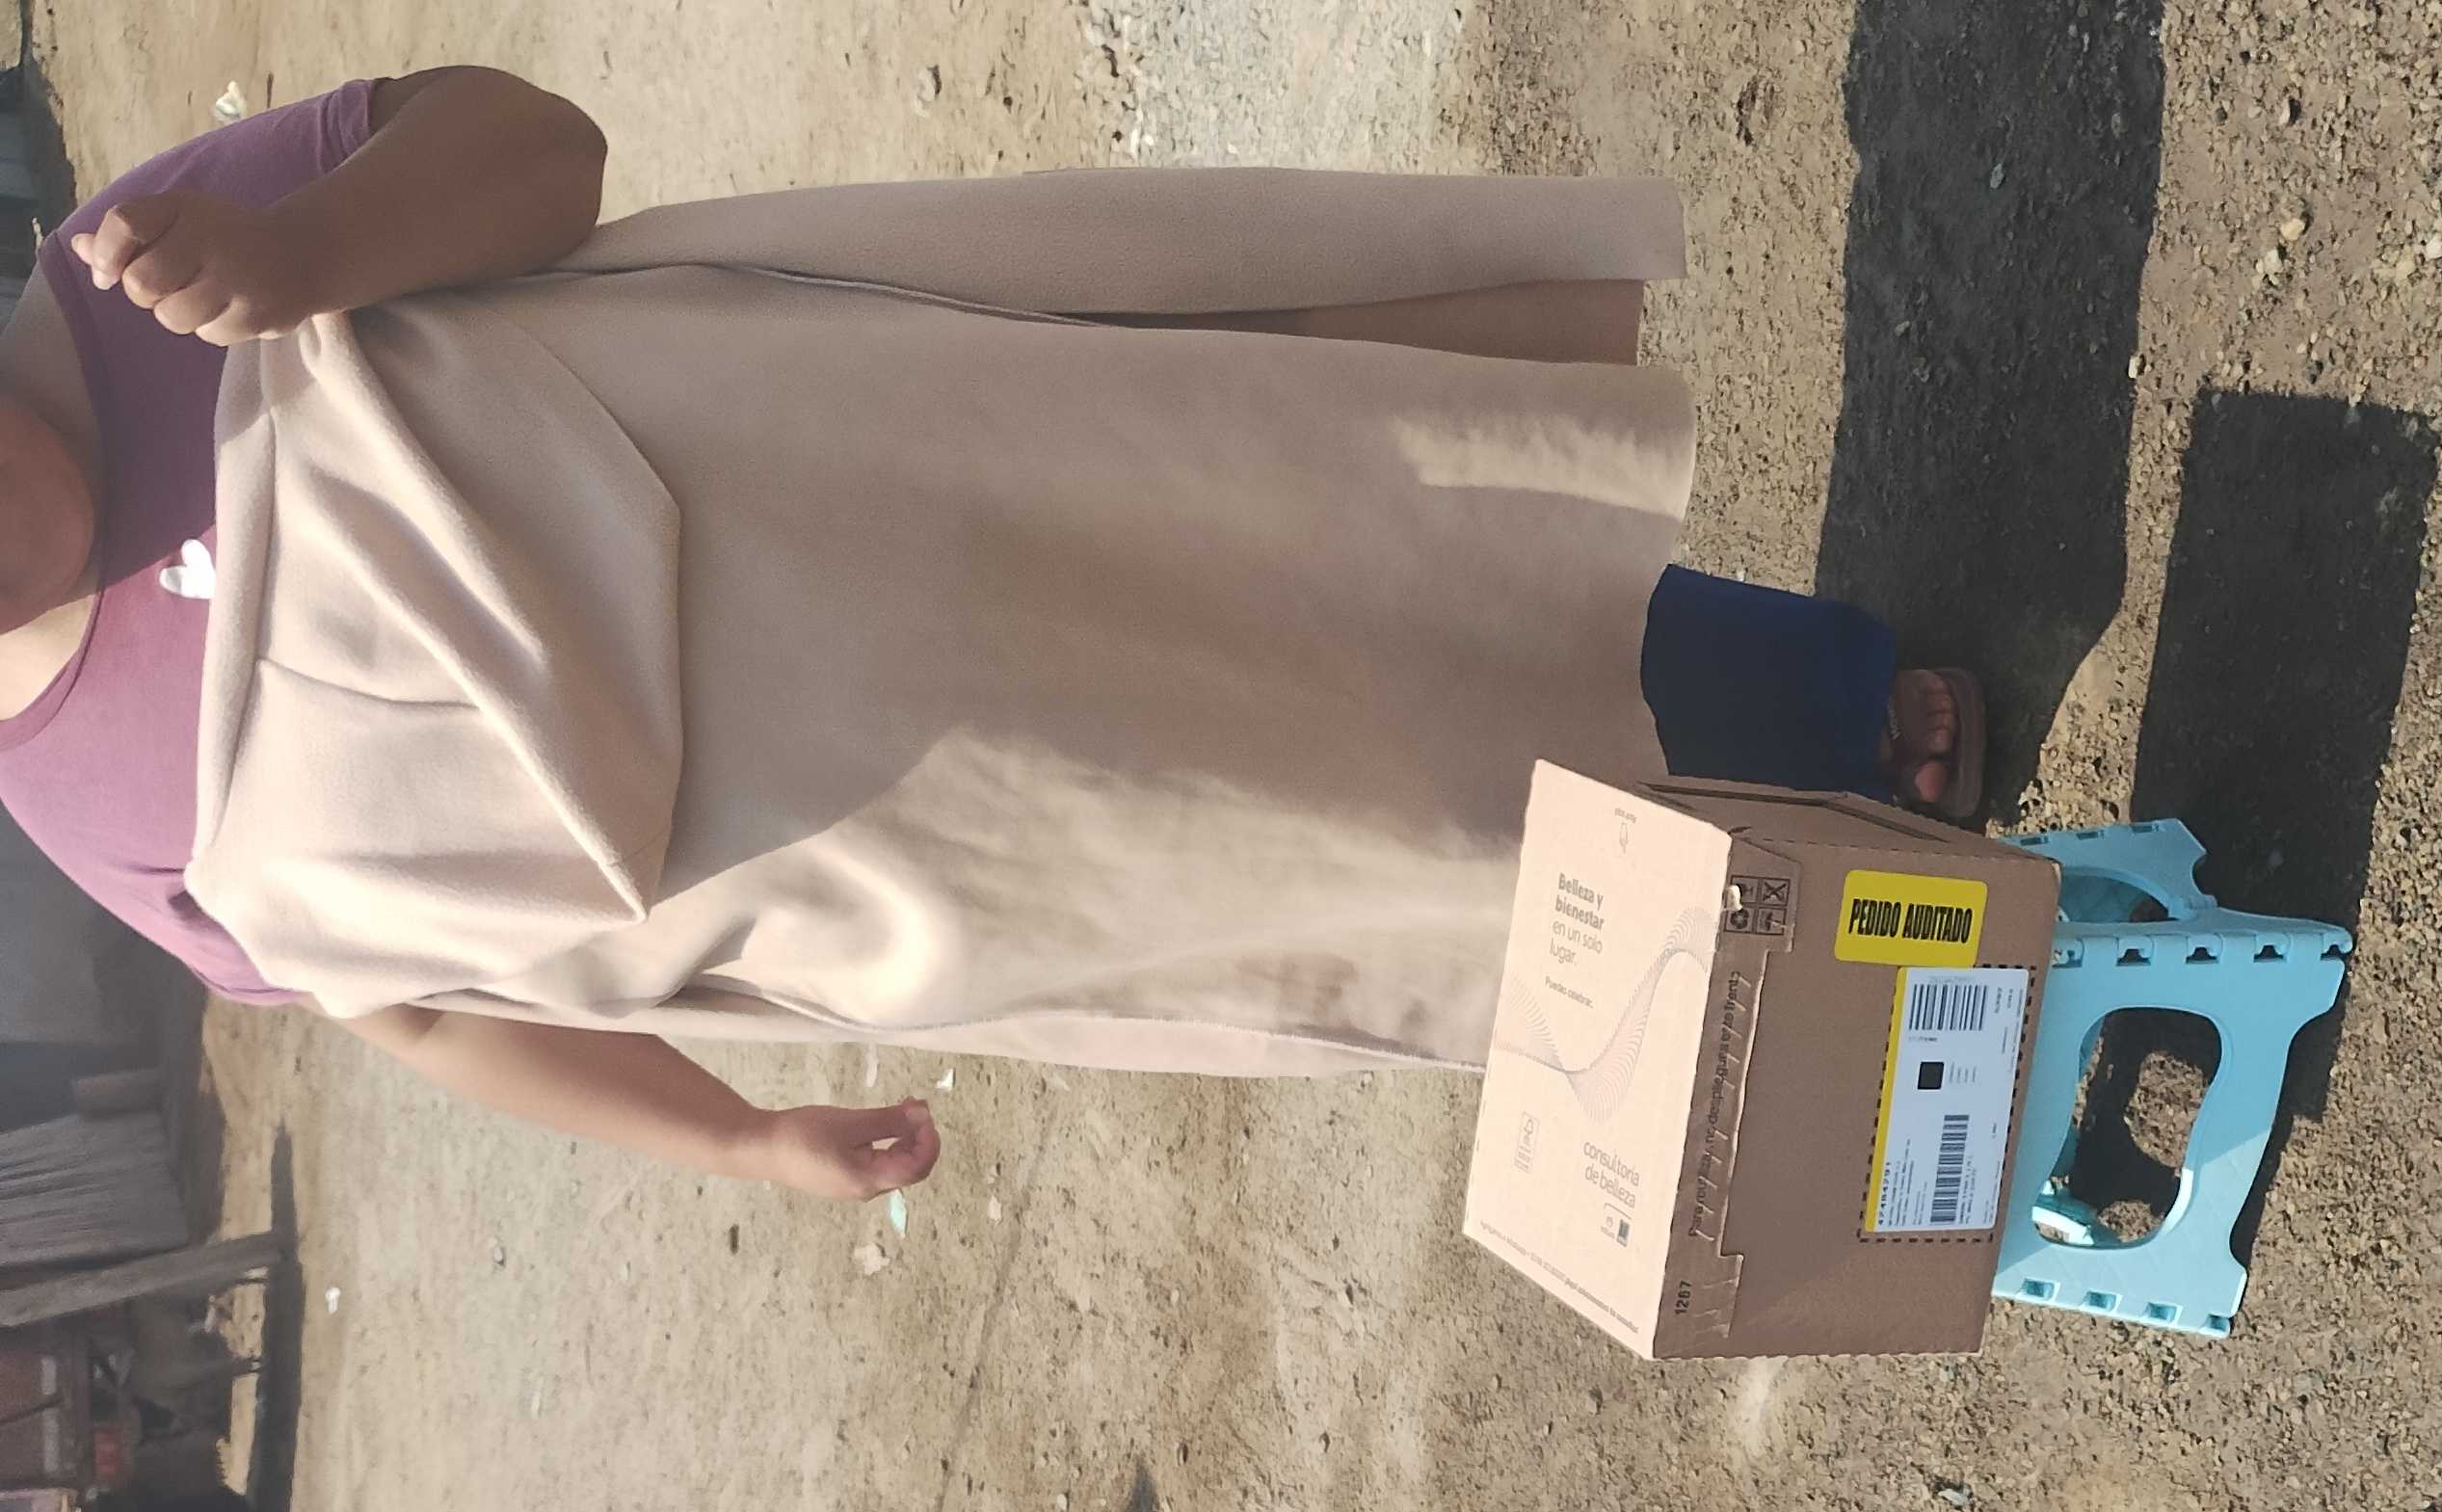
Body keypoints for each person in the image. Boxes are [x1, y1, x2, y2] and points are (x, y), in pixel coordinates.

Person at [3, 70, 1989, 1201]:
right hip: (900, 834)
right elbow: (427, 1008)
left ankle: (1815, 712)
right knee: (1331, 824)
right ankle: (1831, 917)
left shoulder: (133, 269)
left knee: (1340, 550)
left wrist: (310, 251)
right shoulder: (92, 824)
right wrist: (733, 1135)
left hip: (899, 468)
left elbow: (538, 151)